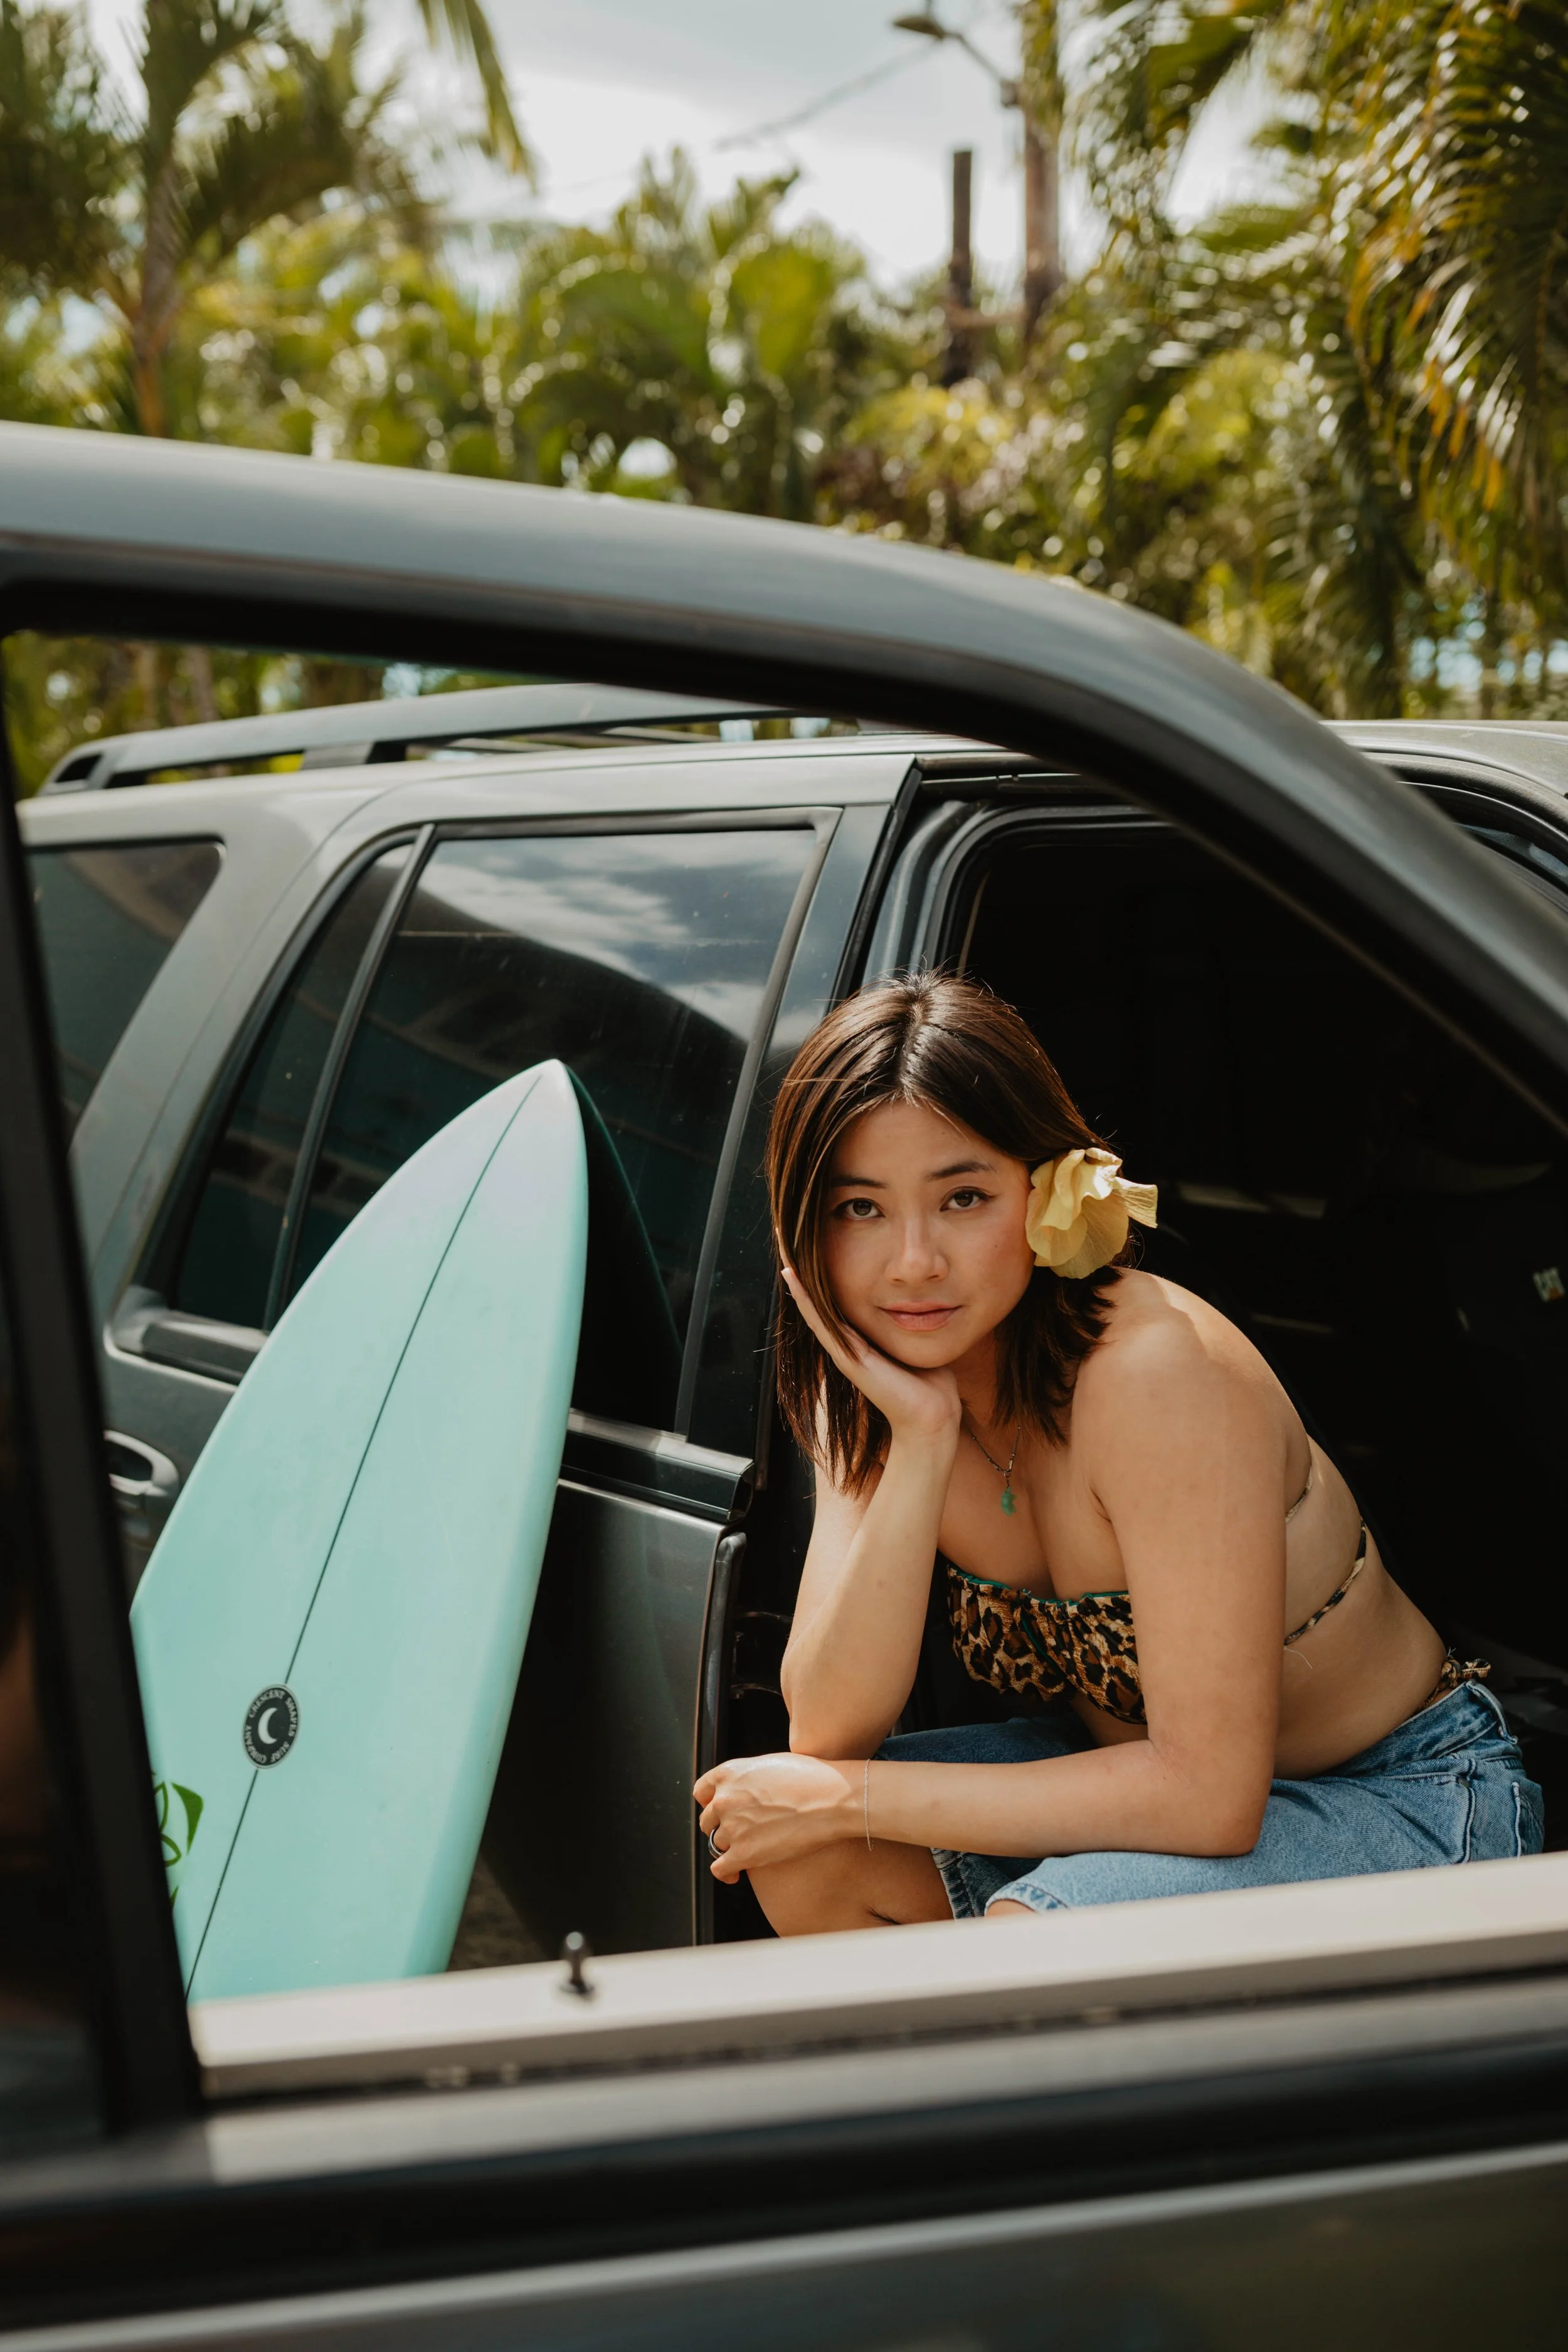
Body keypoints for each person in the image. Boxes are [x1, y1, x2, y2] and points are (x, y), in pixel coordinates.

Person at [693, 973, 1544, 1931]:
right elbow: (826, 1728)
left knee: (1040, 1926)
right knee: (805, 1851)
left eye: (963, 1197)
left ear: (1045, 1189)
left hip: (1398, 1793)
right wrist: (922, 1441)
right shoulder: (872, 1385)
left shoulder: (1153, 1372)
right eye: (860, 1208)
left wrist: (851, 1798)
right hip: (1148, 1791)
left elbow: (1208, 1796)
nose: (914, 1261)